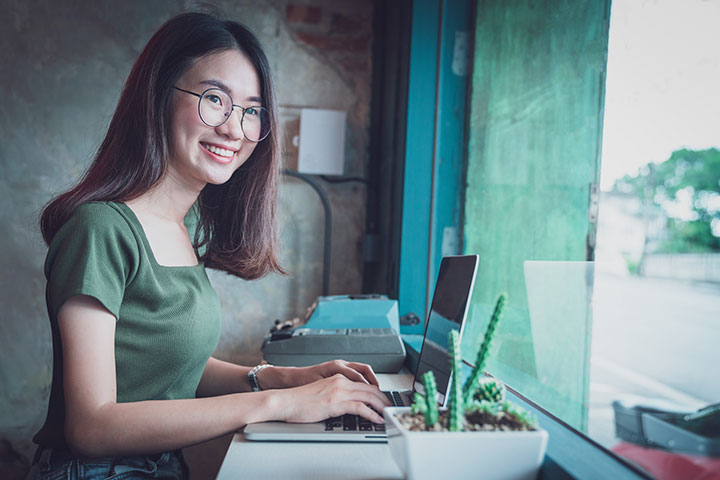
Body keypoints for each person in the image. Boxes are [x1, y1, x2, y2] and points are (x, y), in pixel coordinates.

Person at [29, 12, 390, 480]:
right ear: (159, 95)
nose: (234, 129)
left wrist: (280, 376)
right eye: (214, 98)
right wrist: (276, 403)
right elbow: (91, 425)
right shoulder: (100, 229)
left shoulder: (186, 224)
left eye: (251, 110)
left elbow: (170, 366)